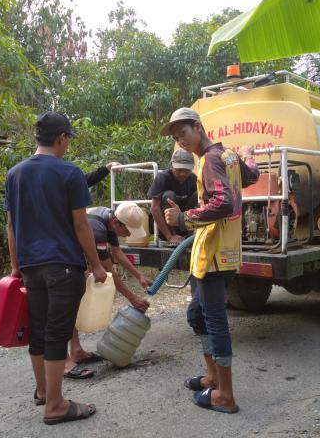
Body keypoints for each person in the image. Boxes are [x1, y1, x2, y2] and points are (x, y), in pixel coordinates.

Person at [5, 111, 107, 425]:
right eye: (67, 140)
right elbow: (81, 225)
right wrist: (97, 264)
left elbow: (11, 224)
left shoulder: (15, 174)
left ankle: (42, 392)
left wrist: (15, 265)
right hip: (63, 266)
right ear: (61, 138)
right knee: (56, 334)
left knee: (39, 331)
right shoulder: (69, 173)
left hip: (32, 267)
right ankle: (56, 405)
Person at [162, 107, 259, 414]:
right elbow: (252, 175)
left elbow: (223, 202)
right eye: (177, 138)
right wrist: (249, 154)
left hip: (214, 254)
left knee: (214, 322)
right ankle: (213, 378)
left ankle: (225, 395)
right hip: (224, 253)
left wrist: (183, 217)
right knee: (197, 315)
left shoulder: (209, 160)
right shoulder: (228, 156)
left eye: (184, 134)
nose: (181, 142)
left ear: (199, 127)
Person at [64, 201, 152, 378]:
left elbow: (118, 253)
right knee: (66, 309)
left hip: (75, 262)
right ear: (116, 223)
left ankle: (76, 351)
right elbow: (108, 272)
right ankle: (65, 362)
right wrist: (133, 298)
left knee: (75, 306)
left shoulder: (108, 217)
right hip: (63, 262)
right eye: (127, 230)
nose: (128, 235)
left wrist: (139, 275)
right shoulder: (97, 229)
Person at [148, 149, 197, 246]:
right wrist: (169, 236)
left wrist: (189, 235)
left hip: (184, 223)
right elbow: (154, 208)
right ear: (172, 166)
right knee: (168, 195)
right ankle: (172, 236)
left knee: (198, 196)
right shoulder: (162, 177)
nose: (183, 173)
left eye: (186, 170)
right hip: (166, 228)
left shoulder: (193, 179)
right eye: (179, 170)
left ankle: (189, 236)